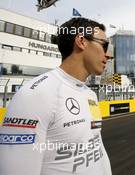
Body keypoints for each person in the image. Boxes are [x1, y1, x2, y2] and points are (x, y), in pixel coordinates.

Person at [0, 18, 112, 175]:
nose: (108, 55)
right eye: (105, 45)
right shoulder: (35, 94)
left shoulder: (90, 94)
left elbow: (97, 148)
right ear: (81, 41)